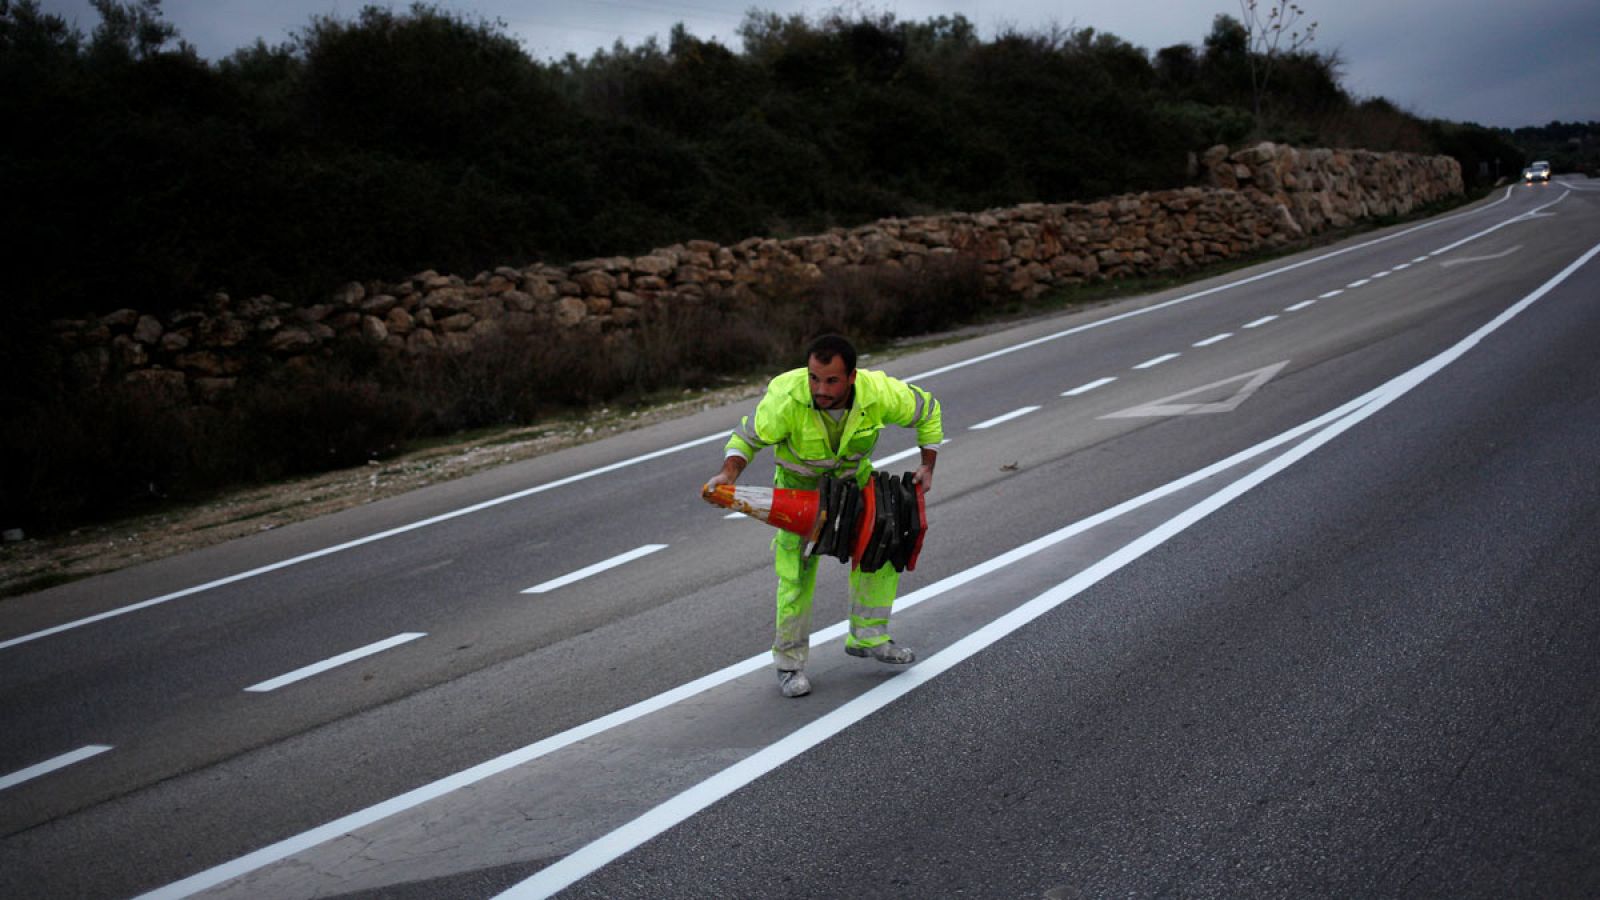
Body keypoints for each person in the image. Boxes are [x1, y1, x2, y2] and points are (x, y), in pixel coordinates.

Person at [706, 334, 944, 698]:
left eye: (831, 380)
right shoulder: (787, 397)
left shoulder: (877, 392)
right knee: (795, 577)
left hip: (854, 486)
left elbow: (927, 409)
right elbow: (747, 439)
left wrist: (927, 466)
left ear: (852, 377)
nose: (820, 388)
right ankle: (789, 665)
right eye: (814, 378)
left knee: (882, 547)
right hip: (799, 492)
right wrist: (728, 475)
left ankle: (868, 636)